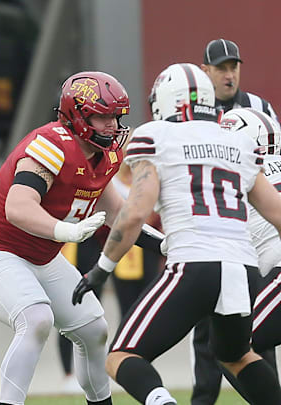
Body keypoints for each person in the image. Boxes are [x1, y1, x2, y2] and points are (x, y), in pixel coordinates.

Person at [72, 63, 281, 405]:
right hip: (242, 268)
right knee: (236, 355)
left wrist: (102, 269)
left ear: (166, 101)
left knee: (121, 356)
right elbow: (277, 212)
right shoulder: (237, 143)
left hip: (194, 262)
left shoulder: (154, 135)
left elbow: (135, 212)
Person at [0, 71, 163, 405]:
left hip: (40, 255)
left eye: (115, 116)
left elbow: (118, 213)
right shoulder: (50, 145)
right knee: (36, 319)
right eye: (102, 116)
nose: (112, 125)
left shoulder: (106, 155)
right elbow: (18, 207)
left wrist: (162, 243)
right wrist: (67, 231)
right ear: (77, 114)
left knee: (93, 328)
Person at [191, 38, 280, 405]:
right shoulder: (193, 112)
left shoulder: (259, 108)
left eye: (234, 67)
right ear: (206, 71)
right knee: (218, 334)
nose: (229, 75)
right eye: (222, 68)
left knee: (241, 338)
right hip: (224, 232)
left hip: (253, 235)